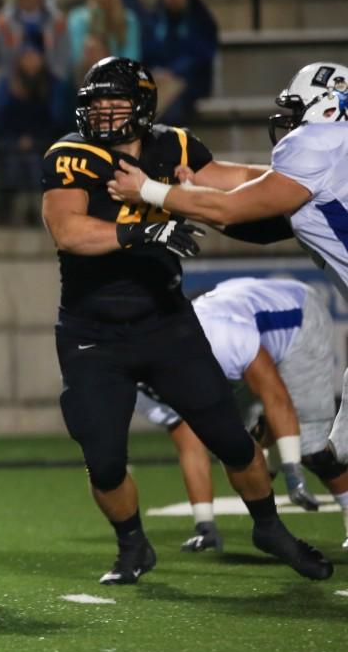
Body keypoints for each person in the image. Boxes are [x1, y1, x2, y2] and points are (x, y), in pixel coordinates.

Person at [41, 56, 331, 584]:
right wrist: (142, 233)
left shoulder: (172, 145)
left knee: (232, 438)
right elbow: (69, 232)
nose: (105, 111)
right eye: (97, 101)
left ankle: (269, 527)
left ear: (144, 105)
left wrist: (296, 181)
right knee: (104, 461)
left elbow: (236, 181)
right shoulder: (71, 156)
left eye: (117, 100)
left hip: (166, 322)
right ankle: (133, 545)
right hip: (93, 334)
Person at [108, 60, 348, 551]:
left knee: (332, 445)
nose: (290, 120)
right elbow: (253, 211)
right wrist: (195, 193)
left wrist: (150, 191)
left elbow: (234, 208)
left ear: (327, 106)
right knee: (335, 447)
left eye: (298, 108)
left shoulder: (316, 145)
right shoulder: (331, 154)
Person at [136, 278, 348, 550]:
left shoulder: (226, 341)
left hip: (299, 321)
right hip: (245, 318)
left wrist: (293, 471)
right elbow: (189, 444)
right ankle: (269, 500)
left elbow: (277, 398)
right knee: (238, 445)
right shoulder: (157, 368)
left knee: (311, 447)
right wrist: (205, 524)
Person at [0, 41, 54, 225]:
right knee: (12, 160)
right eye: (26, 58)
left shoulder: (52, 86)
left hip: (44, 141)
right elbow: (0, 123)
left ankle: (40, 209)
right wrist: (19, 140)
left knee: (36, 161)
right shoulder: (6, 87)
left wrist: (33, 140)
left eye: (34, 57)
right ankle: (14, 210)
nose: (30, 62)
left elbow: (55, 121)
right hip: (11, 141)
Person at [141, 0, 218, 125]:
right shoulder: (154, 19)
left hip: (190, 83)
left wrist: (175, 72)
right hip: (158, 81)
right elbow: (147, 53)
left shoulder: (200, 19)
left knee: (170, 110)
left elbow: (202, 55)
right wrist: (156, 72)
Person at [66, 0, 141, 83]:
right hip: (82, 78)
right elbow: (76, 57)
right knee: (91, 45)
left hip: (118, 81)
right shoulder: (77, 18)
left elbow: (131, 61)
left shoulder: (129, 21)